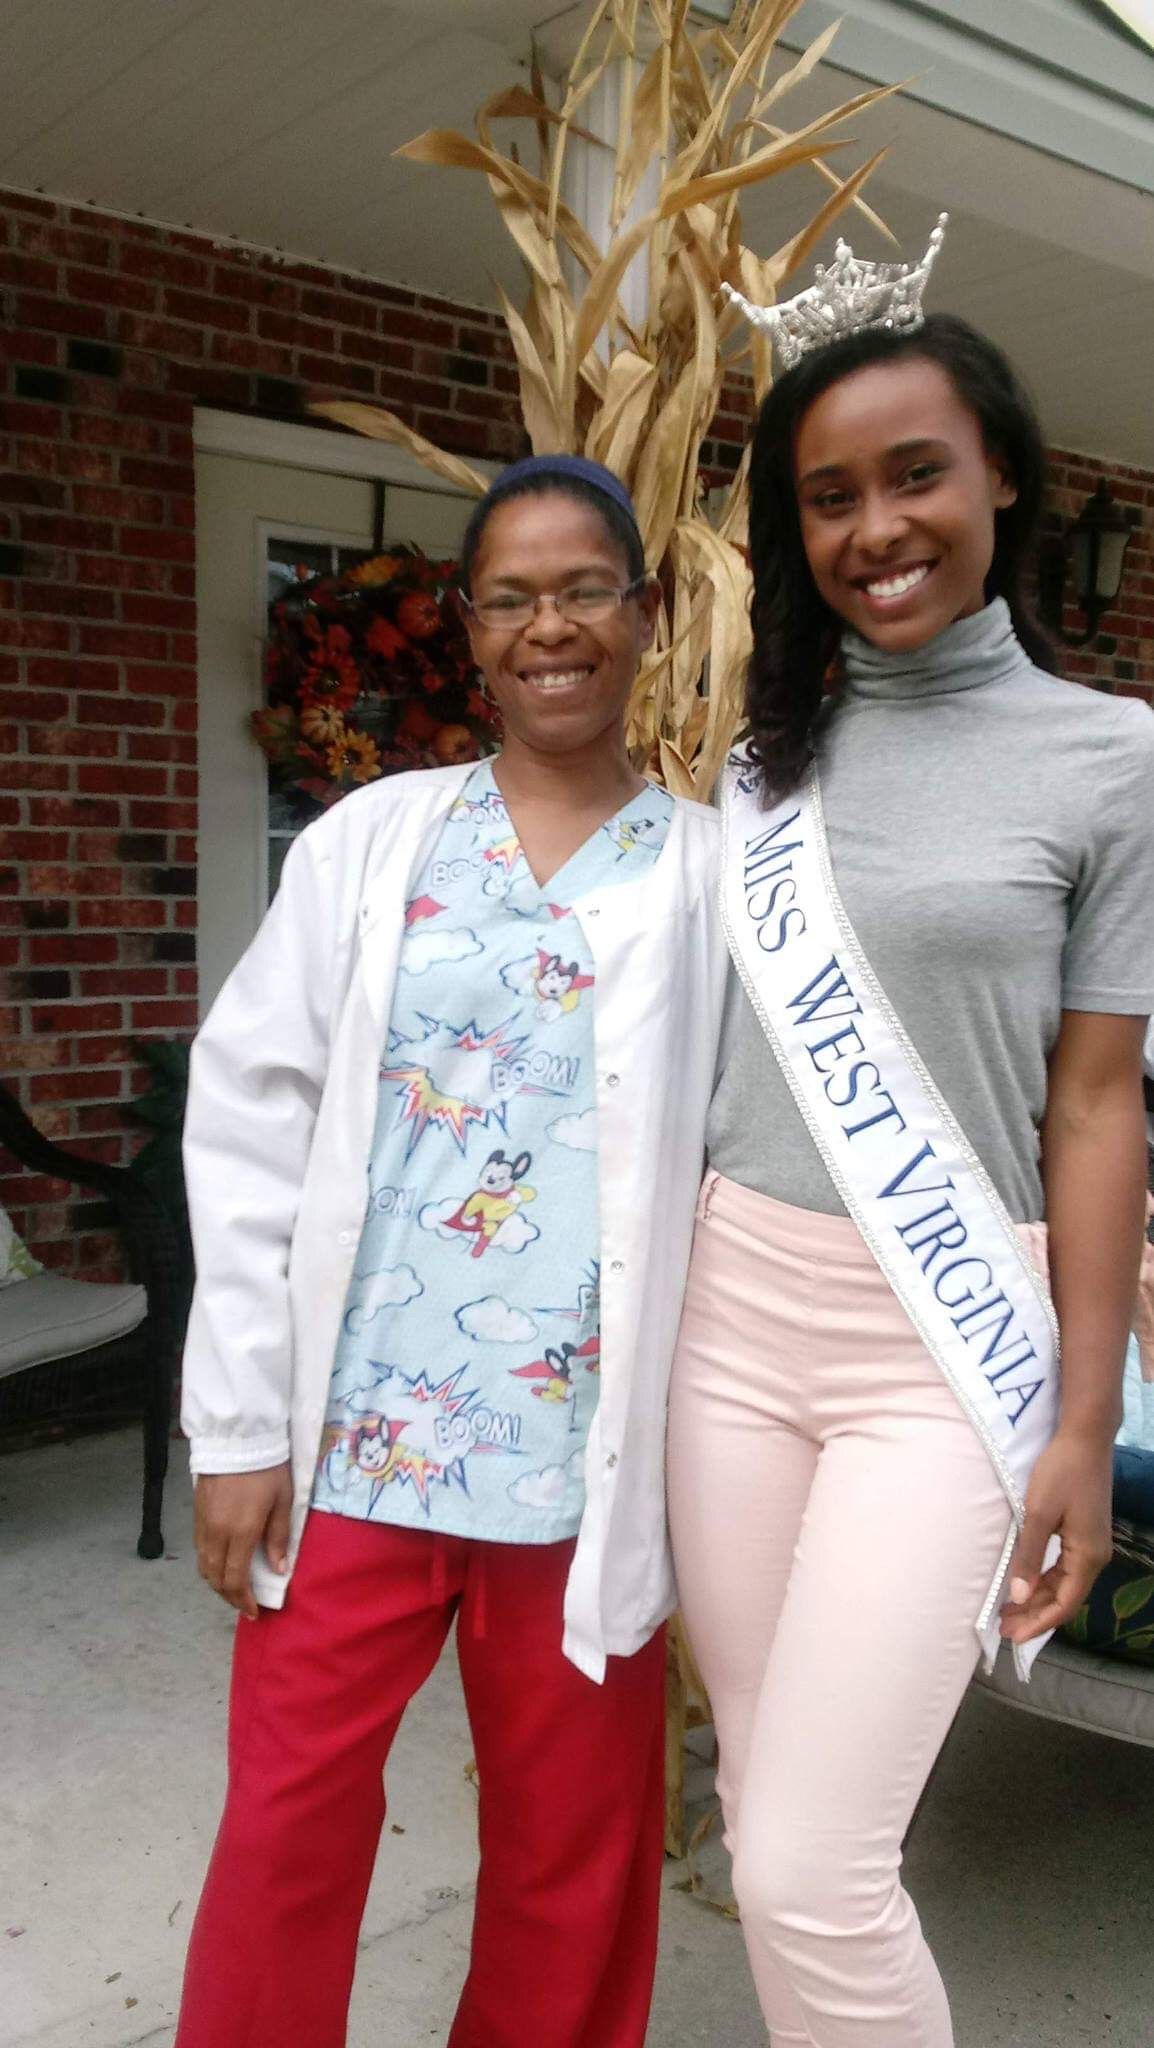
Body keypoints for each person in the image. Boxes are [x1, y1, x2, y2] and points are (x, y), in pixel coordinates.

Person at [668, 229, 1154, 2047]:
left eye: (913, 474)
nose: (874, 526)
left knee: (809, 1860)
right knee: (767, 1805)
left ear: (1002, 474)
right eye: (826, 497)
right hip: (726, 1332)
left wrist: (1083, 1427)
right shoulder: (757, 756)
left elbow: (1095, 1103)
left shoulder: (1112, 759)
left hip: (933, 1357)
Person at [175, 453, 728, 2048]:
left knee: (572, 1859)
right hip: (353, 1448)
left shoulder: (714, 877)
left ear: (647, 614)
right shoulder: (372, 841)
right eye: (508, 598)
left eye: (581, 591)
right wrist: (234, 1427)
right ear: (468, 632)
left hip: (582, 1472)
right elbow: (249, 1127)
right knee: (286, 1830)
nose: (547, 627)